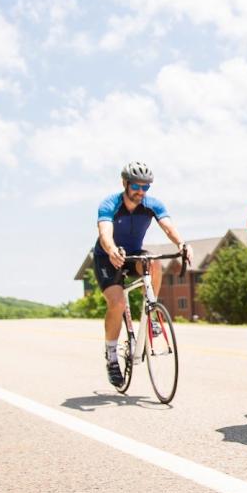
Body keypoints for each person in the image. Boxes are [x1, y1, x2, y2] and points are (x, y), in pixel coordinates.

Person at [92, 161, 187, 388]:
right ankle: (112, 356)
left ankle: (151, 312)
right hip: (108, 256)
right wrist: (112, 249)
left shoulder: (151, 204)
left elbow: (167, 226)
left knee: (154, 263)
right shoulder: (110, 204)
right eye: (136, 186)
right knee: (116, 302)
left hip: (133, 254)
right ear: (125, 183)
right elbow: (105, 232)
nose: (140, 192)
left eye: (146, 187)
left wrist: (182, 244)